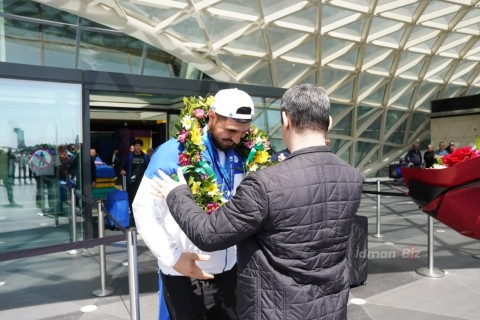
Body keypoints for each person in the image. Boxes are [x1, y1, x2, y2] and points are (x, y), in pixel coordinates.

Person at [152, 84, 363, 320]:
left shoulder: (266, 183)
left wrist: (177, 193)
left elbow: (208, 234)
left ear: (286, 119)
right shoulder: (353, 177)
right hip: (331, 309)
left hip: (278, 311)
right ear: (329, 123)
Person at [133, 88, 255, 320]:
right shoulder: (172, 154)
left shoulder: (244, 153)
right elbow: (145, 211)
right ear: (211, 117)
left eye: (243, 132)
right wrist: (173, 258)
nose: (237, 138)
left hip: (231, 273)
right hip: (185, 273)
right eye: (231, 130)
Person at [121, 139, 149, 219]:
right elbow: (123, 166)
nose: (138, 147)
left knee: (141, 199)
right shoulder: (129, 156)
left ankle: (141, 215)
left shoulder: (146, 157)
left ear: (141, 147)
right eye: (136, 145)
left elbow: (149, 168)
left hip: (142, 183)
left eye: (139, 146)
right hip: (131, 183)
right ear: (134, 146)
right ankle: (134, 215)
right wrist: (122, 170)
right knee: (132, 199)